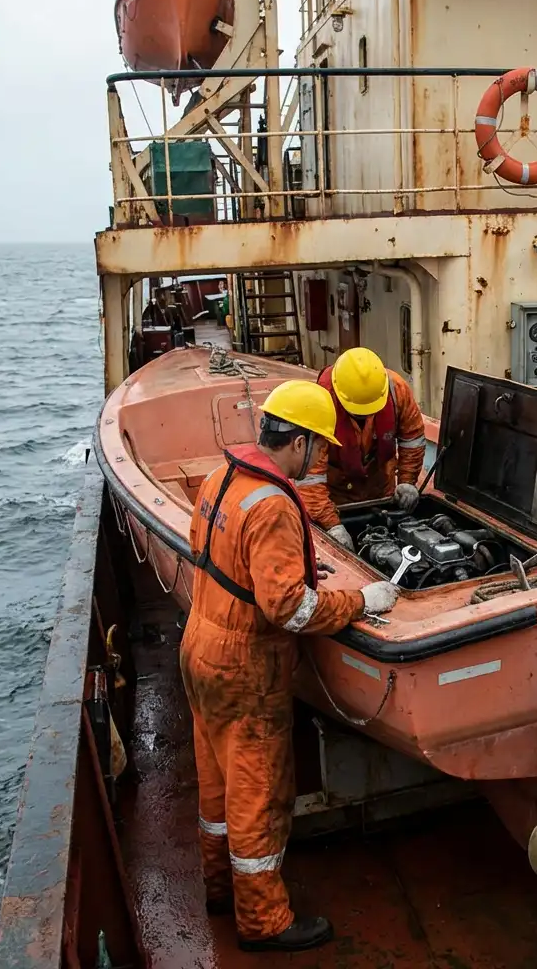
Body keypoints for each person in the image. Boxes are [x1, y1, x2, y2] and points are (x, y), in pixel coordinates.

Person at [180, 379, 399, 952]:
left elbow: (218, 557)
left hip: (199, 646)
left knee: (216, 782)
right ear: (297, 442)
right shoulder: (275, 503)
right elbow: (290, 609)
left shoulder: (219, 479)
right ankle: (262, 920)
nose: (320, 458)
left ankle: (219, 887)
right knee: (257, 791)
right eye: (319, 448)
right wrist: (359, 601)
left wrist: (297, 567)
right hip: (246, 665)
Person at [298, 346, 427, 549]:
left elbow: (413, 440)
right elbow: (309, 478)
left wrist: (407, 482)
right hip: (336, 498)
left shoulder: (397, 389)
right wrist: (332, 525)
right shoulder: (318, 404)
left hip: (381, 490)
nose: (365, 416)